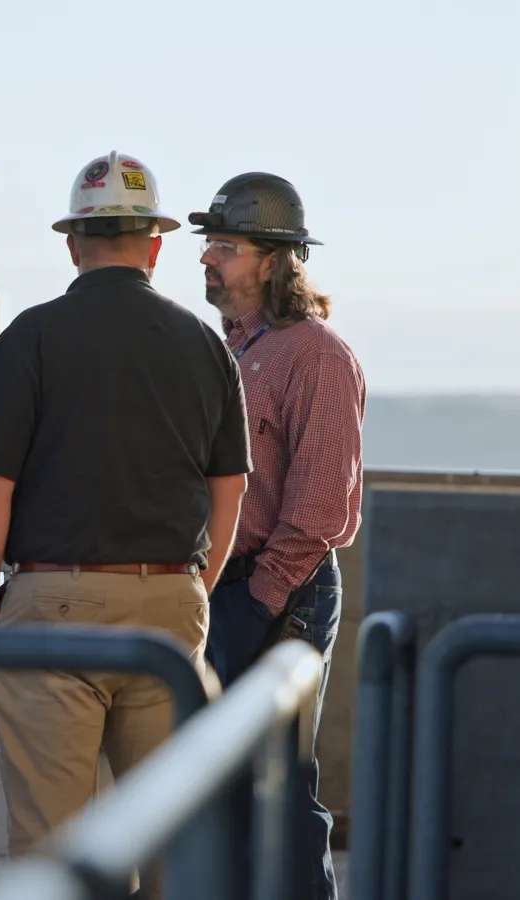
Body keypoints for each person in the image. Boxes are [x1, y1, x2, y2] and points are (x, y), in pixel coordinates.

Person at [0, 151, 251, 898]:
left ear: (73, 243)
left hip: (54, 613)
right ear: (154, 244)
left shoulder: (33, 337)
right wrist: (195, 589)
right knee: (171, 840)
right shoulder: (205, 345)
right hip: (170, 612)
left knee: (53, 852)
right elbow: (230, 486)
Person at [189, 172, 366, 900]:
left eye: (224, 246)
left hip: (283, 587)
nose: (206, 259)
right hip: (229, 583)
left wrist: (255, 604)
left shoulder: (315, 354)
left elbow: (321, 507)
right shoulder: (230, 351)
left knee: (281, 788)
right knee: (220, 784)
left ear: (271, 260)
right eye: (209, 245)